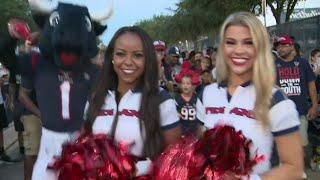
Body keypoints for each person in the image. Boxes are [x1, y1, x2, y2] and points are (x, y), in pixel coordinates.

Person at [197, 12, 303, 179]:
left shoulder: (276, 100)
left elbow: (294, 169)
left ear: (260, 48)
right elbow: (200, 150)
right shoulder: (207, 94)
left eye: (249, 43)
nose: (239, 50)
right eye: (231, 42)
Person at [85, 26, 182, 176]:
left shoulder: (161, 100)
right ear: (111, 57)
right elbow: (82, 146)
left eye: (137, 55)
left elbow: (176, 158)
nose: (128, 62)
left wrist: (142, 168)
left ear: (147, 59)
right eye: (120, 54)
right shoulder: (96, 97)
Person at [275, 35, 318, 165]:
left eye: (283, 45)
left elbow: (311, 86)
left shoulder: (303, 63)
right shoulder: (273, 64)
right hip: (280, 115)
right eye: (278, 45)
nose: (280, 48)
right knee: (283, 149)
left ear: (291, 46)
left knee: (302, 146)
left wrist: (314, 106)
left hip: (300, 112)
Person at [18, 34, 42, 180]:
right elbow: (22, 95)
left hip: (48, 115)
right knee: (32, 153)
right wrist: (41, 114)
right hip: (32, 114)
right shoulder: (33, 62)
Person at [174, 70, 202, 135]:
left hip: (195, 133)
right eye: (183, 83)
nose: (185, 86)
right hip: (181, 133)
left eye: (188, 83)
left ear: (193, 85)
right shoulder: (177, 99)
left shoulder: (197, 99)